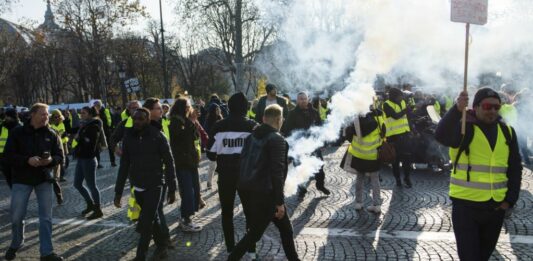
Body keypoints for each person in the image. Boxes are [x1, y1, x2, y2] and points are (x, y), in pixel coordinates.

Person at [435, 88, 522, 261]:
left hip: (496, 207)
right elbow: (441, 135)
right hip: (466, 207)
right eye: (488, 106)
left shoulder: (508, 132)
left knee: (483, 257)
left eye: (497, 107)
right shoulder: (464, 129)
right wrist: (456, 109)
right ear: (476, 107)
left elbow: (515, 168)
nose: (492, 110)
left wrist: (509, 201)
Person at [229, 104, 300, 261]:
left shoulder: (250, 136)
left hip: (248, 189)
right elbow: (277, 172)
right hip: (266, 193)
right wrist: (279, 202)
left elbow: (242, 163)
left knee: (286, 230)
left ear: (263, 119)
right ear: (279, 119)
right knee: (254, 234)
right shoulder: (278, 139)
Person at [114, 108, 177, 261]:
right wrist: (118, 192)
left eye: (141, 119)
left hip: (156, 184)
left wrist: (172, 189)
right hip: (138, 185)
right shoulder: (128, 137)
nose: (137, 121)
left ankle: (140, 256)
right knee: (153, 218)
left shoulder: (158, 136)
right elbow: (124, 165)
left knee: (146, 221)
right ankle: (162, 246)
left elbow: (169, 162)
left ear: (148, 120)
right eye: (135, 118)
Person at [4, 103, 64, 261]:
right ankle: (16, 243)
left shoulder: (51, 134)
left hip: (44, 179)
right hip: (21, 179)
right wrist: (27, 160)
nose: (47, 117)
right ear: (32, 115)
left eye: (47, 114)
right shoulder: (17, 132)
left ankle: (47, 252)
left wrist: (50, 160)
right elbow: (8, 156)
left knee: (46, 218)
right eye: (43, 114)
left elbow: (60, 156)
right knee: (16, 216)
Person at [206, 92, 258, 257]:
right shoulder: (253, 126)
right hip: (247, 176)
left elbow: (210, 155)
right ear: (245, 108)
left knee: (227, 213)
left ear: (229, 107)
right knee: (250, 213)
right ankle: (251, 251)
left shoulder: (218, 127)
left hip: (226, 175)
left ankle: (230, 249)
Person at [282, 92, 330, 198]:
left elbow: (320, 127)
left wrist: (322, 141)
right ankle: (301, 189)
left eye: (304, 98)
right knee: (299, 169)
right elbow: (287, 130)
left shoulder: (314, 112)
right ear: (297, 101)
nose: (303, 101)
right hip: (299, 147)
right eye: (300, 99)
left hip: (313, 145)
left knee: (320, 166)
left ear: (308, 99)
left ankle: (320, 185)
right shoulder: (292, 113)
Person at [341, 107, 384, 213]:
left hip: (359, 154)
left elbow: (348, 135)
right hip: (374, 154)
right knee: (375, 179)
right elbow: (384, 131)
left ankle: (358, 203)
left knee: (360, 178)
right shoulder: (379, 116)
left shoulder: (356, 119)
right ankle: (377, 205)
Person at [168, 98, 202, 232]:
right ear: (182, 107)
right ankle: (185, 219)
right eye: (188, 106)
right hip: (183, 161)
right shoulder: (176, 121)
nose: (190, 108)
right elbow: (181, 137)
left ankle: (188, 216)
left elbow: (195, 136)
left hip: (191, 160)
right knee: (187, 190)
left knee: (195, 188)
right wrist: (191, 123)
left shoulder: (186, 120)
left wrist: (193, 122)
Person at [72, 107, 105, 220]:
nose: (81, 115)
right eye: (80, 112)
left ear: (90, 114)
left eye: (84, 113)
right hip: (81, 158)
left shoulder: (94, 125)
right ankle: (90, 204)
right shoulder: (84, 124)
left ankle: (98, 209)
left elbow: (91, 143)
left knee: (92, 185)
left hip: (89, 159)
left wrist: (79, 138)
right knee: (77, 184)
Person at [383, 87, 413, 188]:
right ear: (394, 97)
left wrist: (412, 128)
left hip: (405, 134)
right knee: (395, 160)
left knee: (407, 158)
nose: (402, 98)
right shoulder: (386, 104)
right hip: (393, 137)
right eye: (400, 96)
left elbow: (407, 117)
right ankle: (398, 179)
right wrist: (406, 110)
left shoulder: (403, 102)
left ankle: (407, 178)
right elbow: (395, 116)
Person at [0, 108, 21, 189]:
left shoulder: (20, 127)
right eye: (6, 116)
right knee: (8, 177)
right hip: (3, 157)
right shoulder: (2, 126)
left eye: (8, 116)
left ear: (13, 116)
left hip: (17, 156)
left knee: (17, 179)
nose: (6, 118)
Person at [204, 103, 223, 189]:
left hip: (220, 145)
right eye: (217, 109)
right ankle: (209, 182)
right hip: (212, 146)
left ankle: (220, 182)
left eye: (219, 109)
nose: (219, 110)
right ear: (213, 111)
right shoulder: (208, 121)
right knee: (212, 165)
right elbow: (207, 133)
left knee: (221, 165)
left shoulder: (221, 119)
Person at [93, 100, 116, 168]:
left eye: (96, 106)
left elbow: (110, 119)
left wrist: (111, 128)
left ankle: (113, 161)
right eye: (95, 106)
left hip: (106, 131)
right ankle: (98, 163)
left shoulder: (105, 111)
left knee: (110, 146)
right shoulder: (94, 112)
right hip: (97, 132)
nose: (95, 107)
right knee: (96, 148)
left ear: (99, 105)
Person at [49, 110, 70, 182]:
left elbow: (65, 134)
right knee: (58, 161)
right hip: (55, 146)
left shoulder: (62, 124)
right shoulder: (51, 125)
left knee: (66, 160)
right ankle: (59, 176)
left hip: (63, 145)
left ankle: (62, 173)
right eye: (55, 117)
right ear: (52, 118)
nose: (57, 118)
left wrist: (65, 139)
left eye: (58, 116)